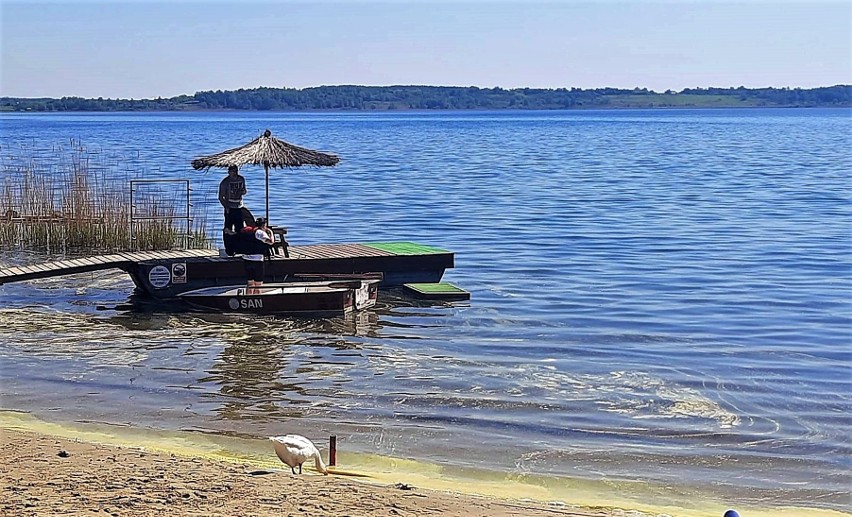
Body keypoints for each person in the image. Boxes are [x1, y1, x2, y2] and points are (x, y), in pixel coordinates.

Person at [242, 217, 274, 294]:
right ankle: (256, 300)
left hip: (246, 260)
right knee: (258, 285)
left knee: (250, 284)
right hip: (257, 261)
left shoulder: (249, 231)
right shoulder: (260, 233)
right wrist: (271, 233)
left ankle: (248, 299)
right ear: (264, 225)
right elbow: (270, 242)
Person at [219, 165, 247, 234]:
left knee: (240, 228)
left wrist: (242, 192)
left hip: (239, 206)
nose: (235, 173)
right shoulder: (225, 182)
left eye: (236, 171)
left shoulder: (241, 179)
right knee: (228, 229)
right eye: (233, 171)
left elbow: (245, 191)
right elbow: (220, 197)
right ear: (229, 172)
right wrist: (226, 207)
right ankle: (229, 243)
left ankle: (239, 243)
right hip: (230, 207)